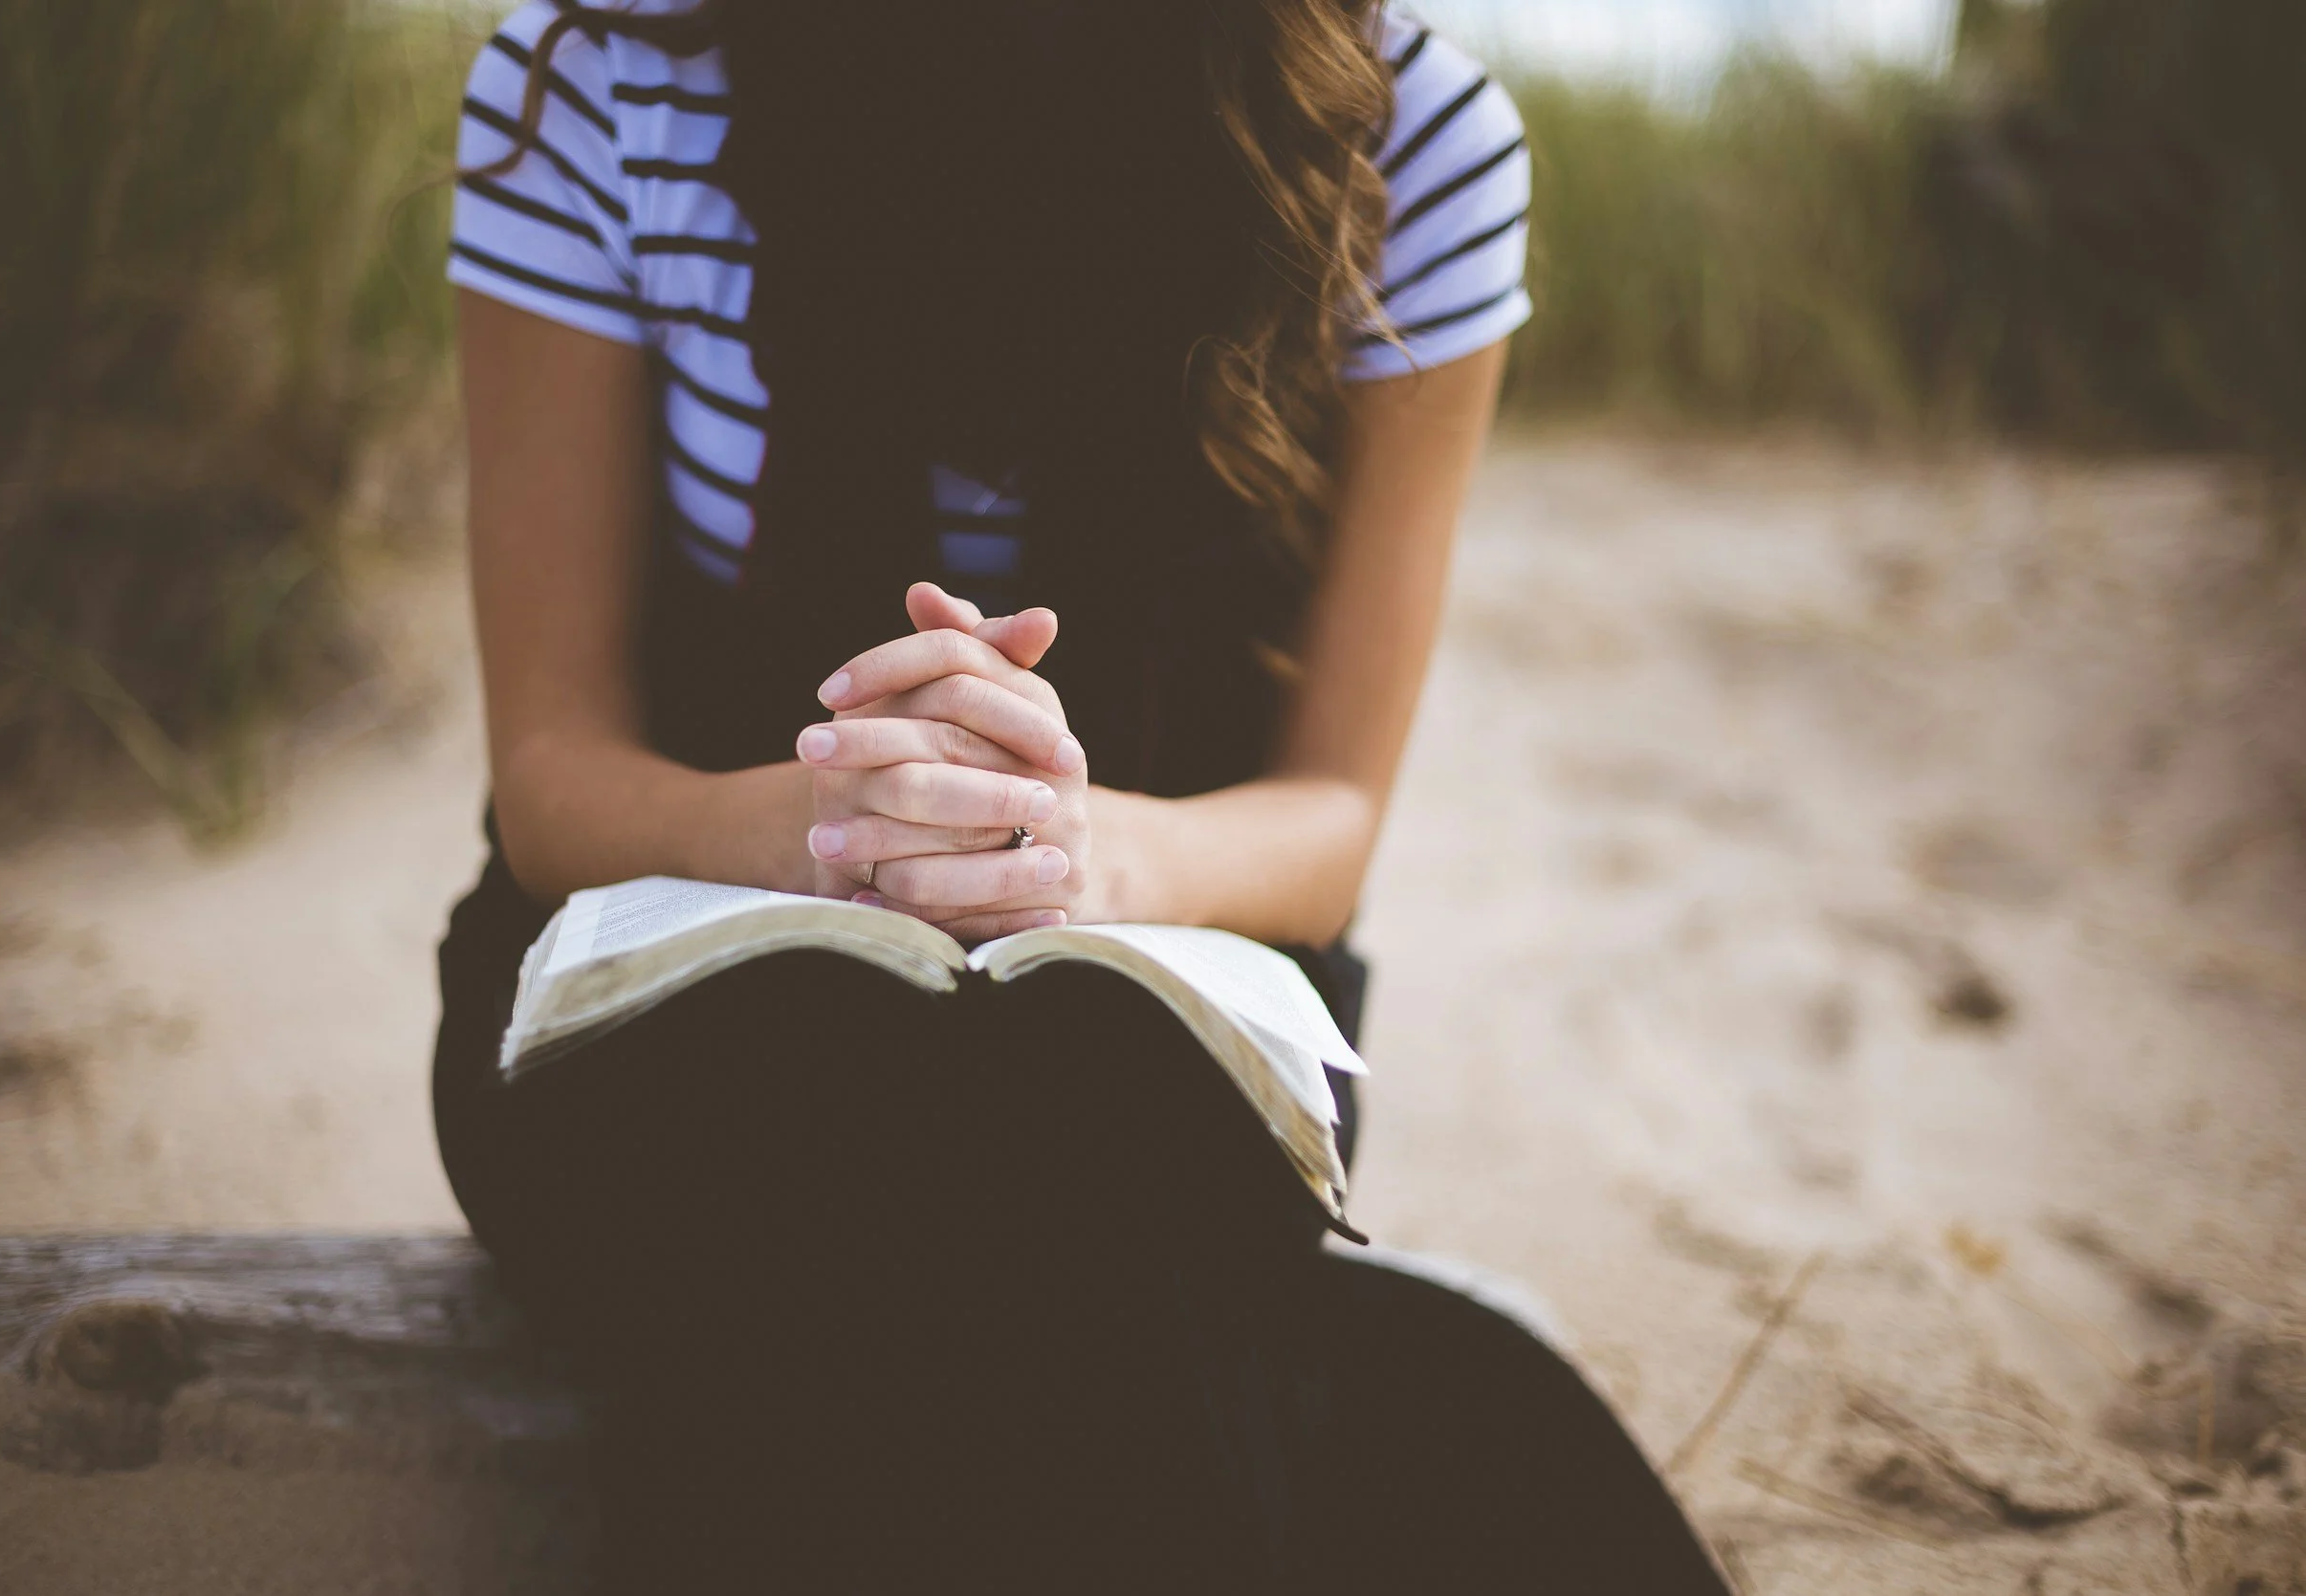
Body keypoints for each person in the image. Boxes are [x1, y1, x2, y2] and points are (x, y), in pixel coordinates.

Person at [432, 2, 1732, 1589]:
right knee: (856, 1167)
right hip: (662, 964)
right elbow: (553, 782)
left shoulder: (1411, 145)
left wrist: (1074, 854)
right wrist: (845, 829)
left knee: (1068, 1160)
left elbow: (1329, 818)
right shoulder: (611, 76)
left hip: (1165, 986)